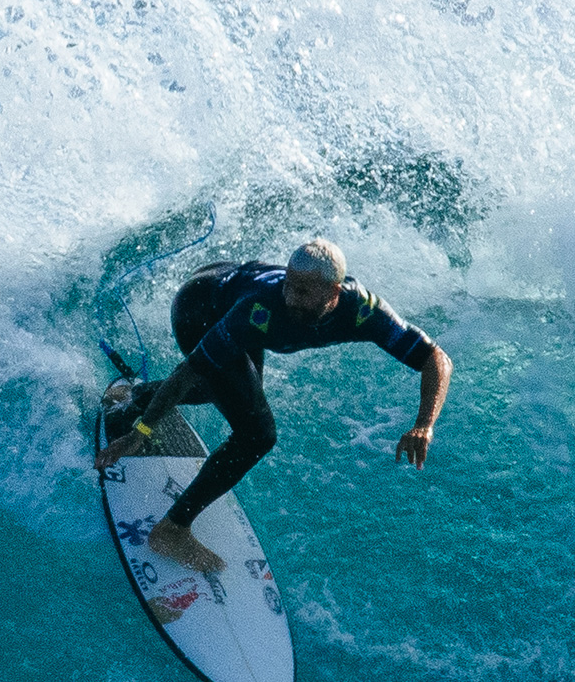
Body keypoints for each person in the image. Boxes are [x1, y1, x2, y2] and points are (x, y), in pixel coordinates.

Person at [105, 237, 450, 573]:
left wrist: (424, 424)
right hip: (200, 308)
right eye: (289, 284)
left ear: (333, 292)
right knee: (256, 433)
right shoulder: (263, 309)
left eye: (302, 291)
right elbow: (189, 371)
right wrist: (143, 431)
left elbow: (435, 358)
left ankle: (138, 396)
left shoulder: (362, 311)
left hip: (231, 289)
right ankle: (172, 530)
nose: (290, 298)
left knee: (231, 394)